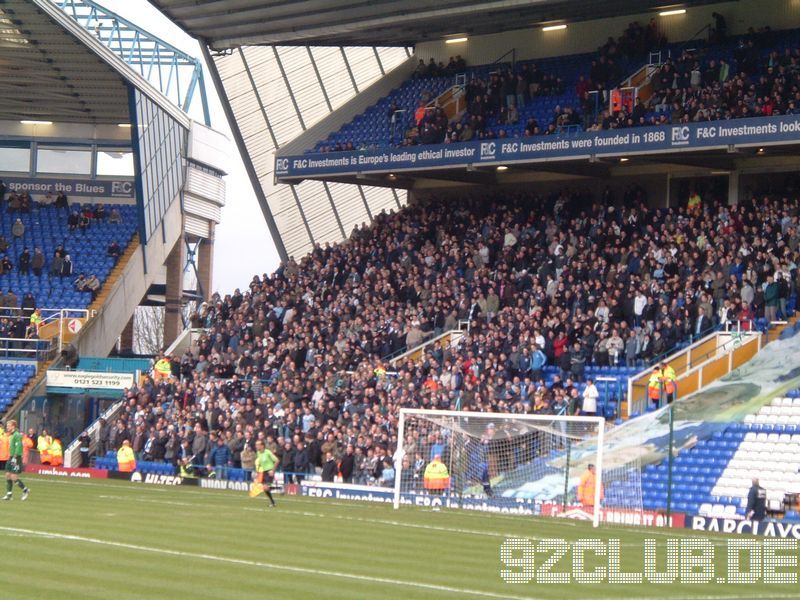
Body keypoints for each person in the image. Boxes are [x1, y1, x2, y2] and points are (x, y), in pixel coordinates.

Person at [3, 420, 29, 501]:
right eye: (7, 425)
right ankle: (9, 494)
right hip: (11, 457)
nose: (7, 427)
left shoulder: (17, 435)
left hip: (16, 457)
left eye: (8, 425)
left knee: (13, 476)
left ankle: (25, 490)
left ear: (13, 426)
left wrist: (15, 456)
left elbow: (18, 447)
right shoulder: (11, 435)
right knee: (7, 474)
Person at [253, 439, 278, 507]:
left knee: (265, 487)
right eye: (256, 445)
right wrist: (257, 472)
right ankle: (273, 501)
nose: (256, 446)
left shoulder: (268, 452)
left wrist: (273, 470)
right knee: (264, 488)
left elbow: (277, 461)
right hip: (263, 472)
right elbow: (260, 463)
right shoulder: (258, 453)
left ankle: (277, 492)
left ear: (262, 446)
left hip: (269, 471)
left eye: (258, 445)